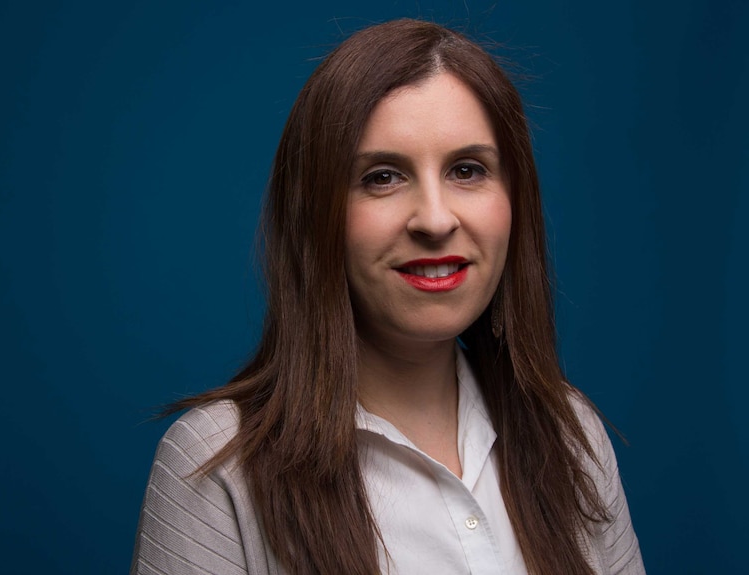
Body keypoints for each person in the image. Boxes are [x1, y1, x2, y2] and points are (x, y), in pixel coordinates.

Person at [130, 18, 644, 575]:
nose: (435, 220)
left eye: (467, 170)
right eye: (382, 177)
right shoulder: (216, 466)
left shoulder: (571, 434)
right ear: (315, 215)